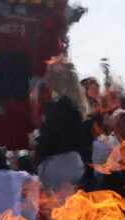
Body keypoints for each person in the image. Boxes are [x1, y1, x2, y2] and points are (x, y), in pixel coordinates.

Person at [35, 56, 89, 192]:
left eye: (48, 73)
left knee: (58, 209)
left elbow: (55, 139)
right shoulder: (69, 104)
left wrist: (38, 140)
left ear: (57, 77)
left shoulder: (60, 105)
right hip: (70, 163)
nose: (45, 76)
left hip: (59, 166)